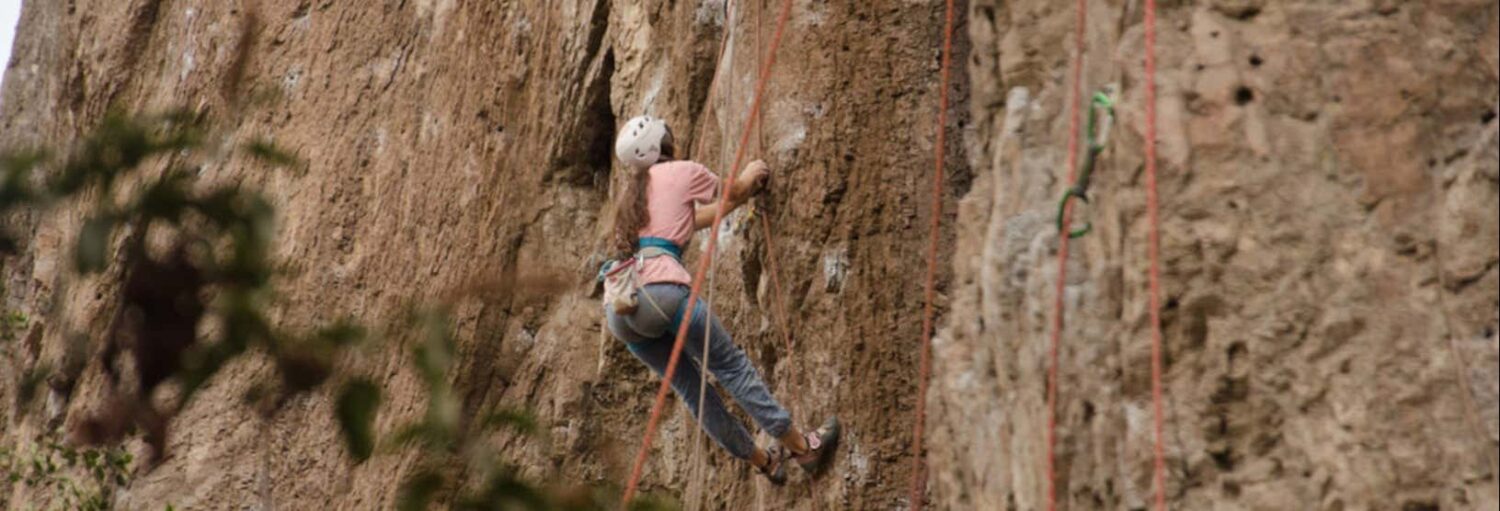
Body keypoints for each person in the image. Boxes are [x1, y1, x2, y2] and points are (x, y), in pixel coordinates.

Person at [604, 115, 838, 485]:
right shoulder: (681, 171)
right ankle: (801, 447)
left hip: (622, 310)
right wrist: (752, 173)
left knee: (693, 392)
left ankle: (763, 461)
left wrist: (738, 198)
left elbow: (700, 216)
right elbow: (734, 190)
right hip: (661, 291)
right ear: (663, 144)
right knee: (730, 367)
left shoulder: (631, 199)